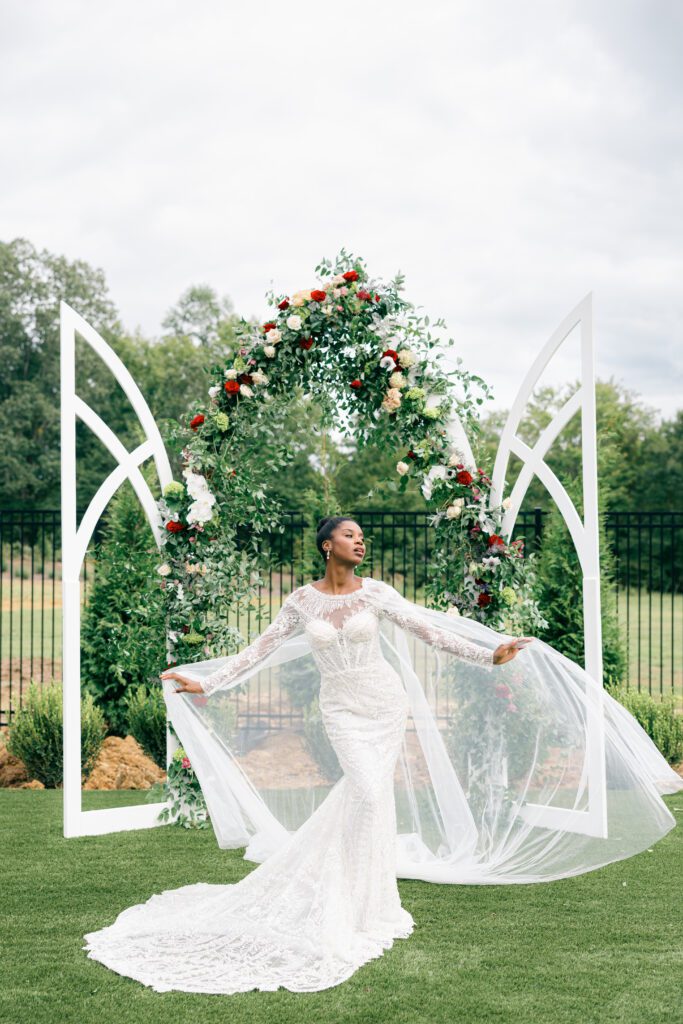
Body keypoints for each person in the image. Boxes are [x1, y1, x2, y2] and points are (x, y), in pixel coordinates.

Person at [82, 516, 683, 995]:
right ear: (326, 546)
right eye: (350, 535)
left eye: (362, 537)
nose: (359, 542)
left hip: (383, 703)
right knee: (364, 792)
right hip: (342, 711)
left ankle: (366, 902)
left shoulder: (378, 593)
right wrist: (206, 681)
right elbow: (259, 649)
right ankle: (350, 896)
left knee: (368, 798)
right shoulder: (301, 602)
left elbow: (429, 630)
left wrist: (488, 653)